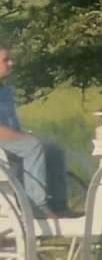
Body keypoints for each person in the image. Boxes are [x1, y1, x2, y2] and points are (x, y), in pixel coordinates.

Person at [0, 44, 68, 219]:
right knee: (32, 146)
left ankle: (59, 205)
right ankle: (36, 205)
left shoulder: (5, 90)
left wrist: (22, 135)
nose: (11, 63)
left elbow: (12, 124)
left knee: (52, 149)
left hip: (9, 140)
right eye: (5, 60)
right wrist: (23, 137)